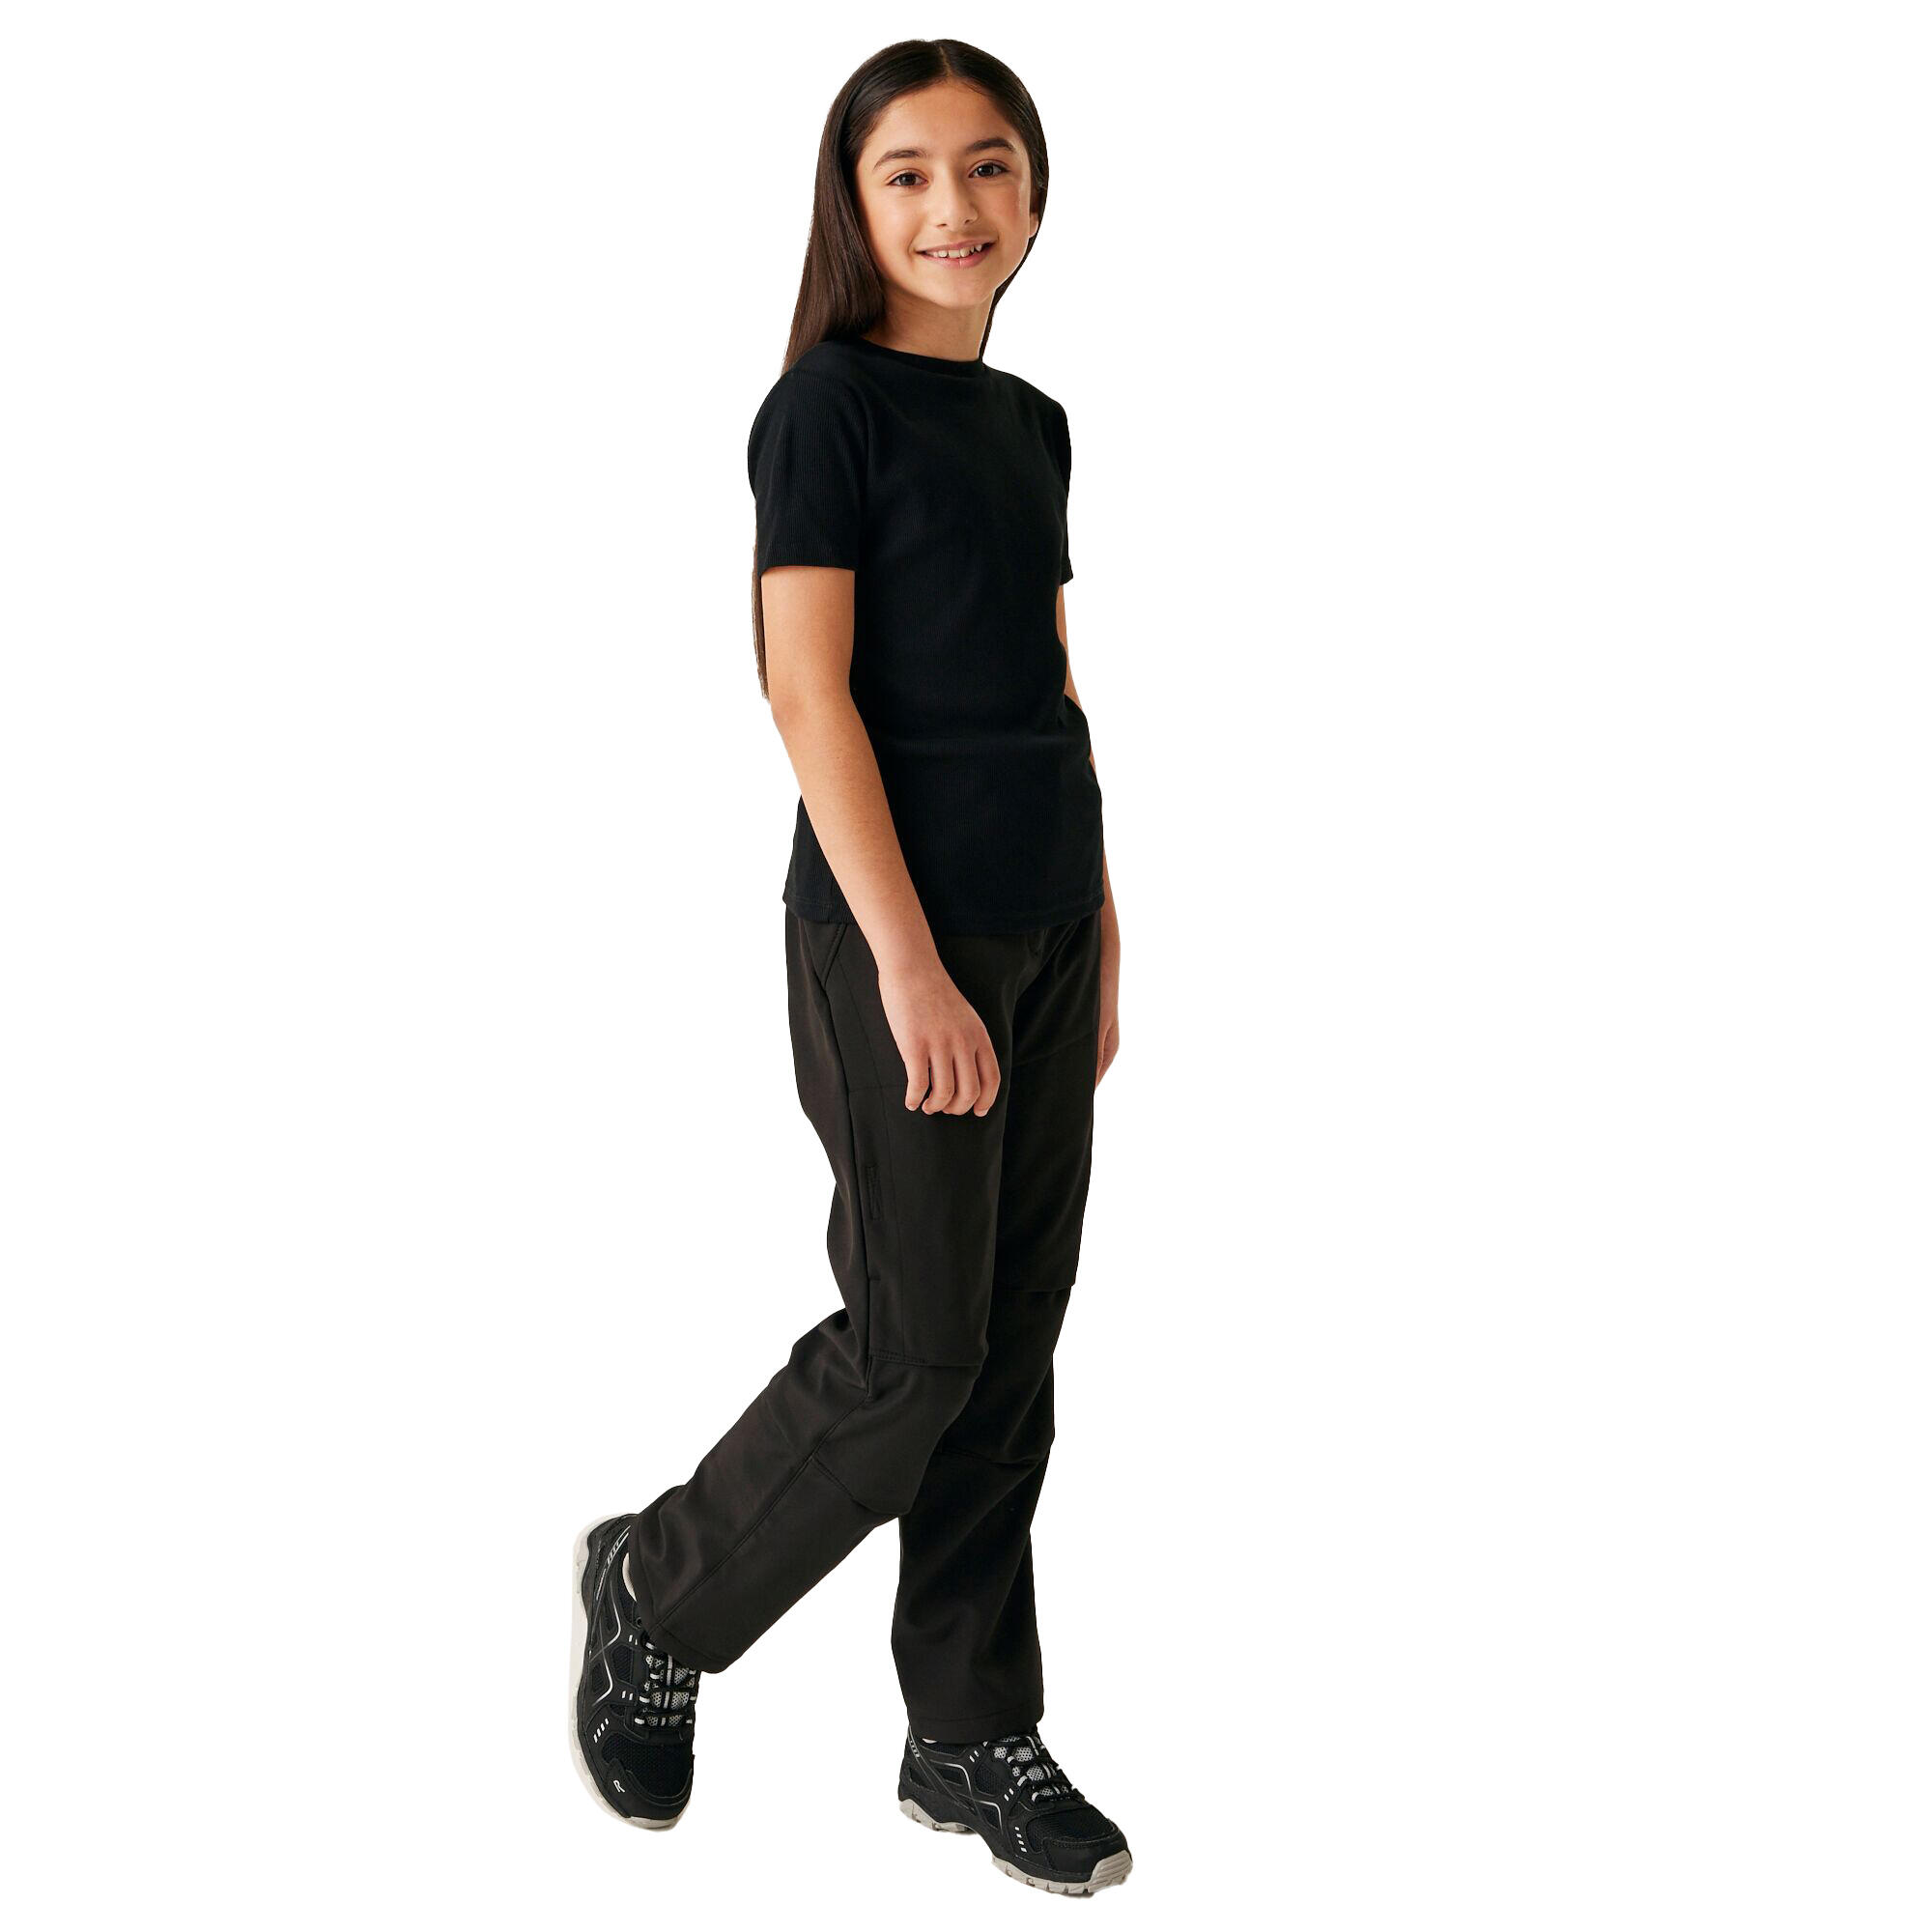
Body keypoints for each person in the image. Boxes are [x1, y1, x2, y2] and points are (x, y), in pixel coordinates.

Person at [570, 41, 1129, 1896]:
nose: (955, 205)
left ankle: (967, 1728)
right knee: (913, 1354)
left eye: (989, 165)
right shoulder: (825, 413)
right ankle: (657, 1590)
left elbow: (1048, 687)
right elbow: (804, 691)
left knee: (1008, 1354)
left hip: (1043, 924)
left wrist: (1100, 919)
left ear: (1033, 189)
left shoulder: (1032, 424)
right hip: (901, 938)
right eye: (909, 173)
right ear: (855, 203)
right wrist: (908, 964)